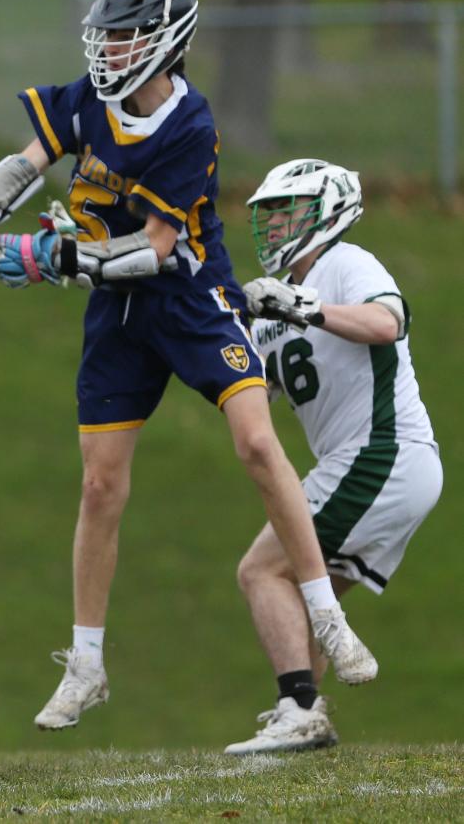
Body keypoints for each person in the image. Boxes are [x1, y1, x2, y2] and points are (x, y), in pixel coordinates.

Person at [0, 0, 377, 733]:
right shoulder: (86, 102)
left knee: (259, 444)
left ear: (164, 44)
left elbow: (156, 248)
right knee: (100, 488)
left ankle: (327, 616)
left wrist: (55, 255)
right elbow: (27, 163)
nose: (108, 50)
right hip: (118, 318)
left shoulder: (191, 126)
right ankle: (87, 664)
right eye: (105, 36)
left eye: (122, 37)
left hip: (192, 301)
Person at [223, 159, 441, 755]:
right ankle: (305, 722)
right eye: (266, 216)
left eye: (286, 211)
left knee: (261, 570)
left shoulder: (344, 263)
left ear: (328, 210)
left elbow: (387, 321)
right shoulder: (274, 308)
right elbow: (250, 394)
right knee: (297, 588)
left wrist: (306, 307)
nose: (272, 226)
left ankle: (296, 710)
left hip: (380, 453)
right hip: (377, 462)